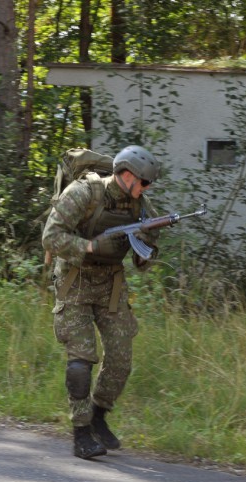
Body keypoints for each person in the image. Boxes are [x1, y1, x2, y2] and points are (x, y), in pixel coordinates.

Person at [41, 145, 161, 459]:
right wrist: (91, 247)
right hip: (75, 281)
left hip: (111, 284)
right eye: (144, 183)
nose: (147, 189)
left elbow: (142, 264)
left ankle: (98, 415)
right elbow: (50, 237)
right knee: (81, 360)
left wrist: (148, 243)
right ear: (127, 175)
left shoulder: (141, 206)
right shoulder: (84, 193)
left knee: (121, 359)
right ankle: (81, 432)